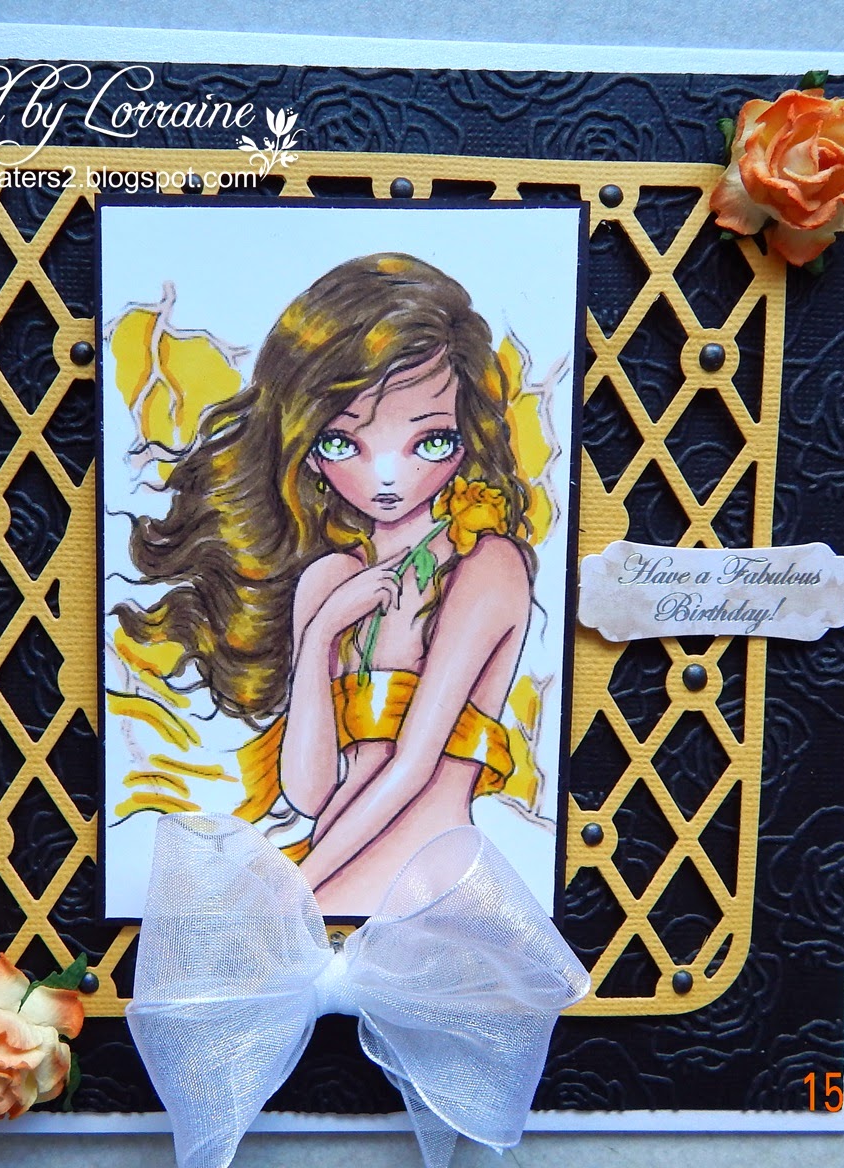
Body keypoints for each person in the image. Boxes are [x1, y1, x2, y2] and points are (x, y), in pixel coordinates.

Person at [114, 253, 535, 915]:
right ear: (306, 449)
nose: (386, 477)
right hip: (334, 865)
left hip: (424, 877)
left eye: (427, 440)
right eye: (343, 443)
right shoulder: (332, 578)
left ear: (466, 436)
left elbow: (413, 766)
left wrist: (295, 892)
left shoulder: (487, 565)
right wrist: (319, 637)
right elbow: (310, 793)